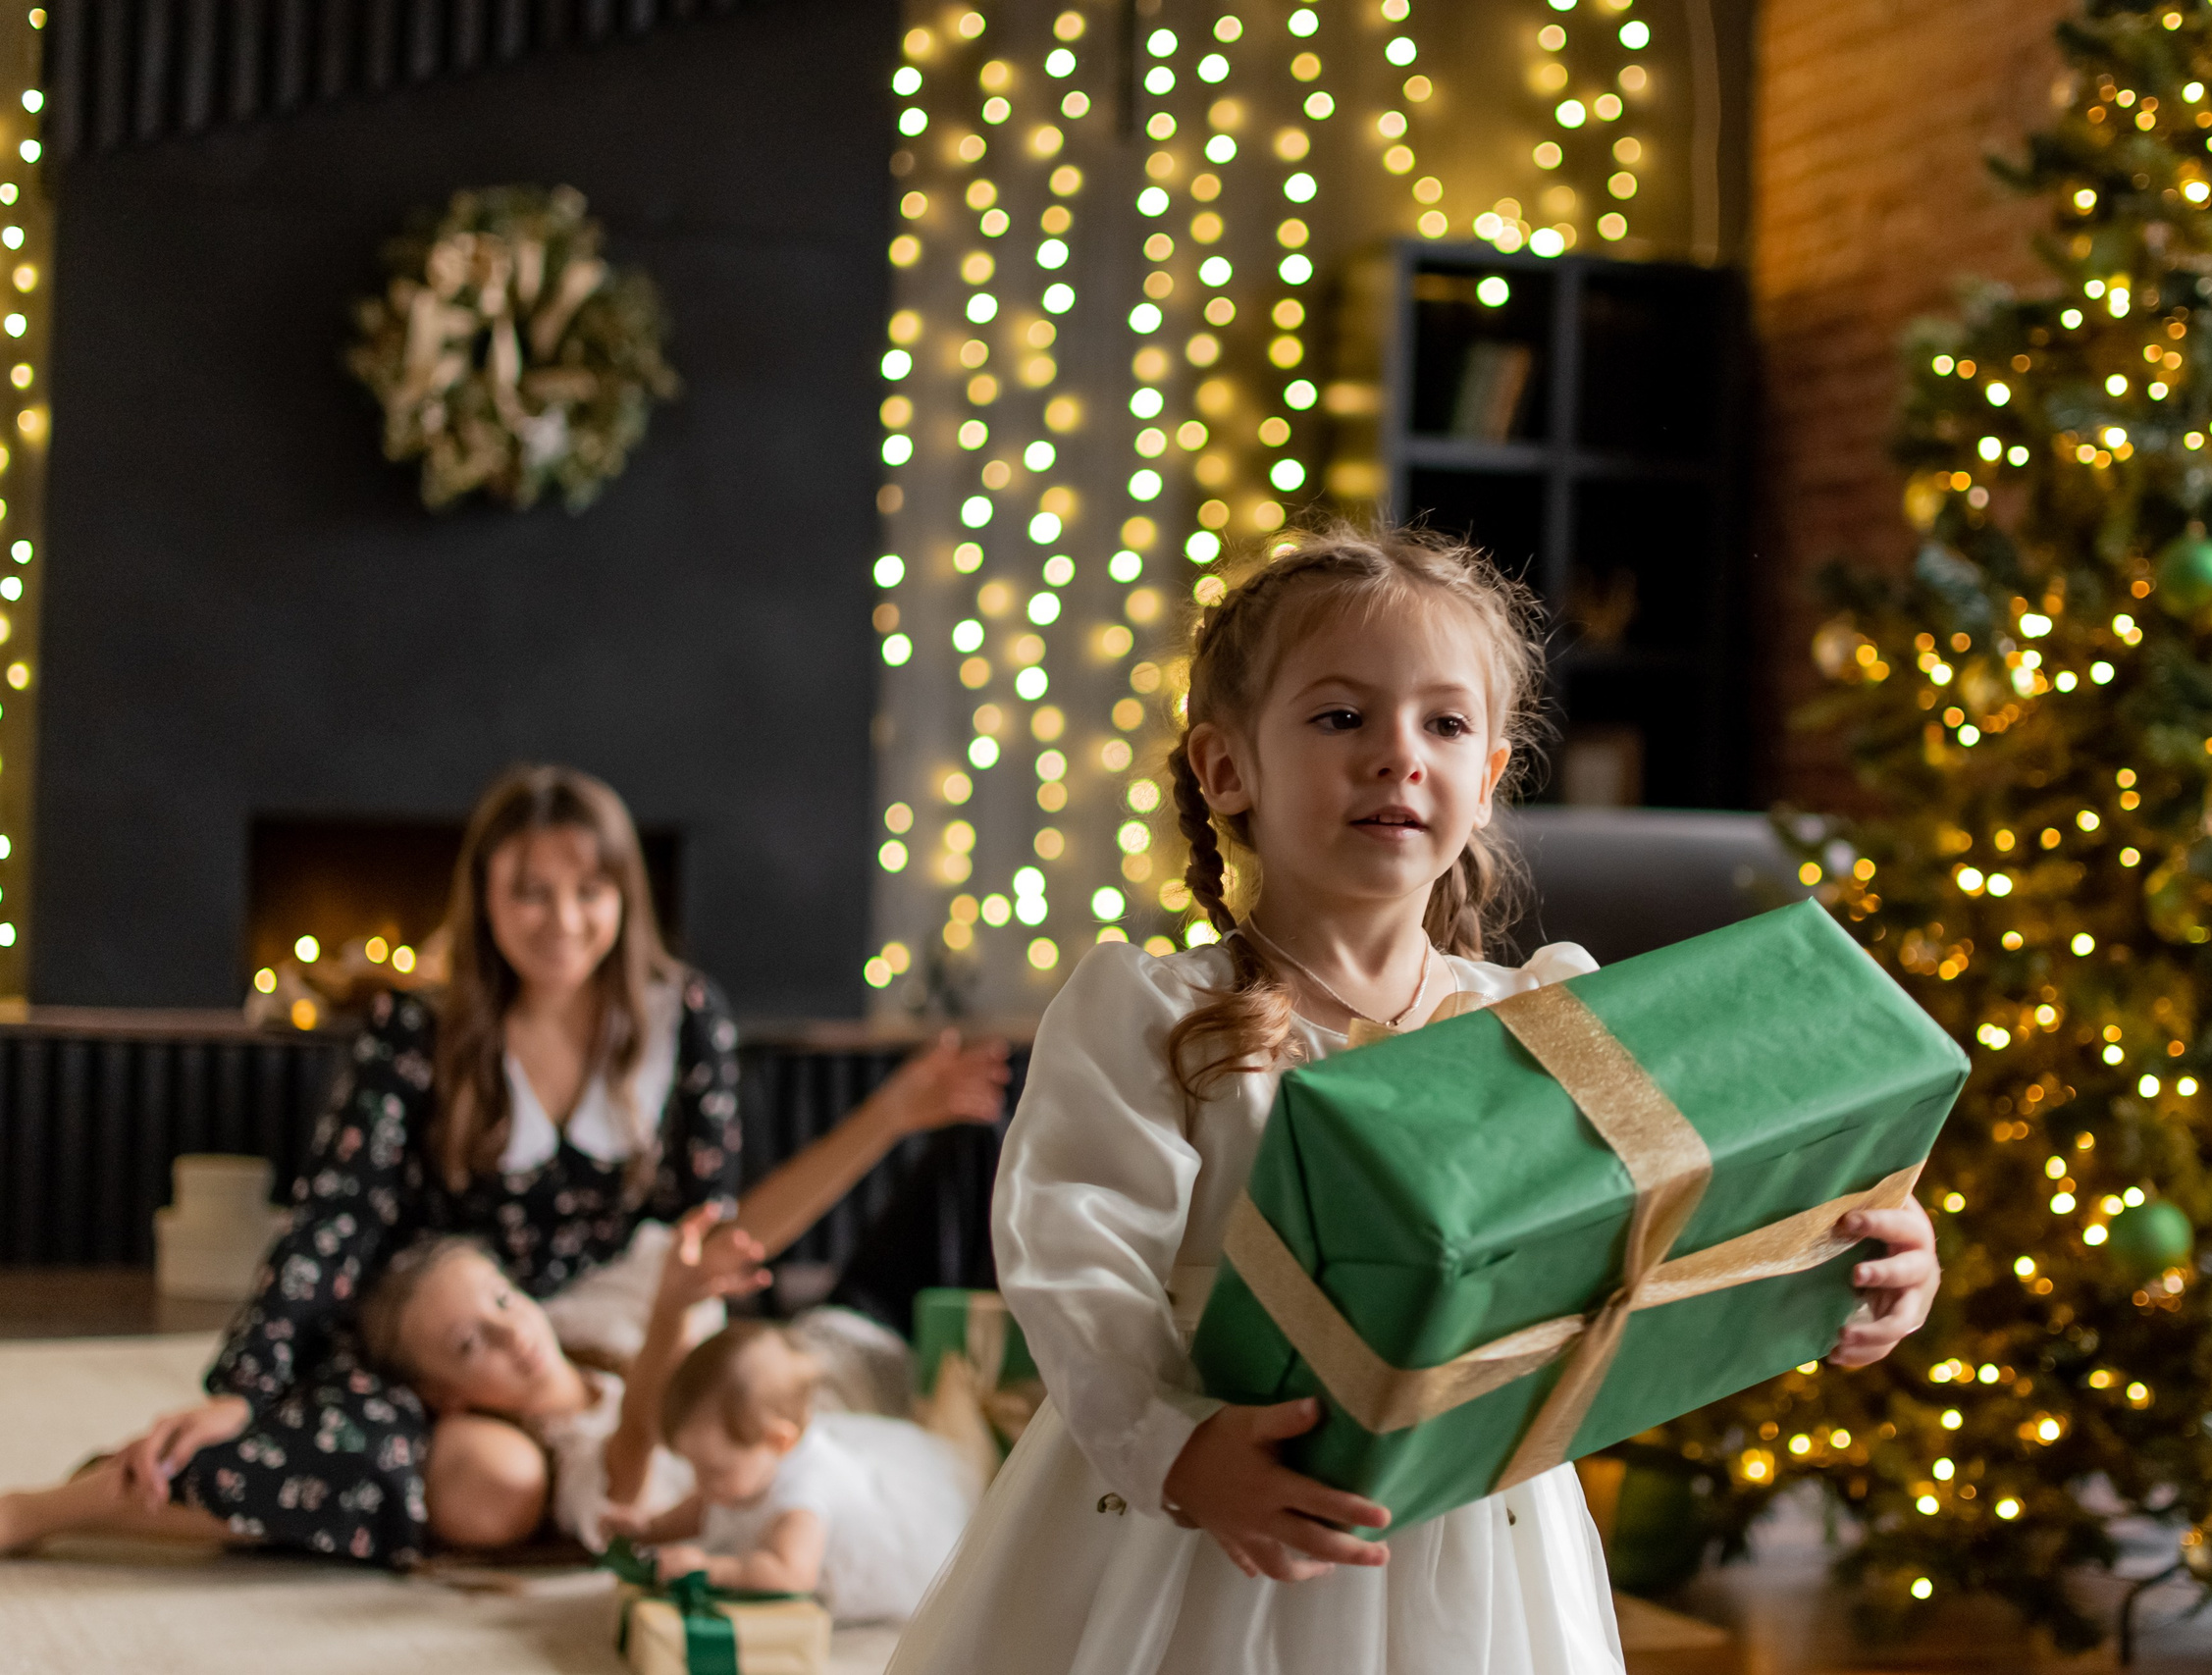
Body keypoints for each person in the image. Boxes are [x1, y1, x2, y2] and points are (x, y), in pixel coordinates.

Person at [885, 528, 1945, 1675]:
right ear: (1226, 769)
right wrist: (1180, 1452)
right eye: (1341, 717)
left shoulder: (1549, 1023)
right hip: (1212, 1505)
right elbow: (1073, 1263)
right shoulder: (1149, 1015)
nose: (1398, 756)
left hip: (1477, 1536)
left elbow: (1674, 1226)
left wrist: (1848, 1262)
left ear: (1486, 781)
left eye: (1443, 725)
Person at [0, 764, 1008, 1566]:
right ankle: (52, 1507)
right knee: (442, 1475)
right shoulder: (414, 1034)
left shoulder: (682, 1018)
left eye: (588, 889)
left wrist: (894, 1114)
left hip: (604, 1339)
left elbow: (716, 1237)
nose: (561, 918)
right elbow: (332, 1224)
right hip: (447, 1331)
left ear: (625, 895)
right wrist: (245, 1384)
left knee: (545, 1479)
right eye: (529, 891)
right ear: (482, 896)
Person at [606, 1320, 978, 1622]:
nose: (700, 1484)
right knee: (722, 1495)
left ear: (778, 1442)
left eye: (713, 1470)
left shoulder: (804, 1499)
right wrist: (651, 1527)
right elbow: (703, 1508)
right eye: (694, 1466)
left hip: (866, 1558)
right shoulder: (750, 1466)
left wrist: (710, 1568)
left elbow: (791, 1575)